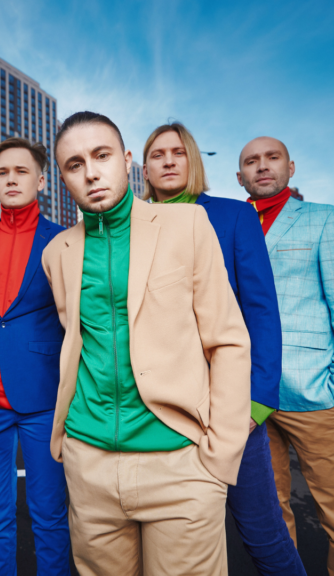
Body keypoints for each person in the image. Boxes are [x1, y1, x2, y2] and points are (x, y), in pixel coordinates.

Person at [41, 111, 251, 575]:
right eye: (74, 165)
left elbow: (228, 340)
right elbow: (77, 345)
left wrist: (220, 452)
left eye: (101, 156)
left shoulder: (188, 225)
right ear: (62, 178)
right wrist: (71, 451)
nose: (91, 172)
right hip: (89, 463)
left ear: (127, 160)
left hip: (181, 463)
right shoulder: (57, 253)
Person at [141, 123, 304, 575]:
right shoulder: (131, 225)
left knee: (261, 533)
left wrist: (255, 402)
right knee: (178, 541)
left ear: (192, 161)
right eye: (158, 155)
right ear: (145, 168)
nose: (169, 161)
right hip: (160, 411)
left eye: (179, 152)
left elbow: (262, 313)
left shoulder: (234, 217)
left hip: (229, 406)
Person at [0, 137, 70, 575]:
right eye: (2, 173)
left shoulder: (64, 241)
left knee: (51, 519)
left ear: (41, 180)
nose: (11, 179)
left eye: (21, 171)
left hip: (43, 397)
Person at [237, 135, 334, 575]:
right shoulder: (231, 223)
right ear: (239, 176)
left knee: (331, 504)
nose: (262, 167)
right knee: (270, 513)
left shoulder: (322, 220)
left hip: (310, 387)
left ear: (290, 168)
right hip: (248, 392)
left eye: (271, 158)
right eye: (251, 162)